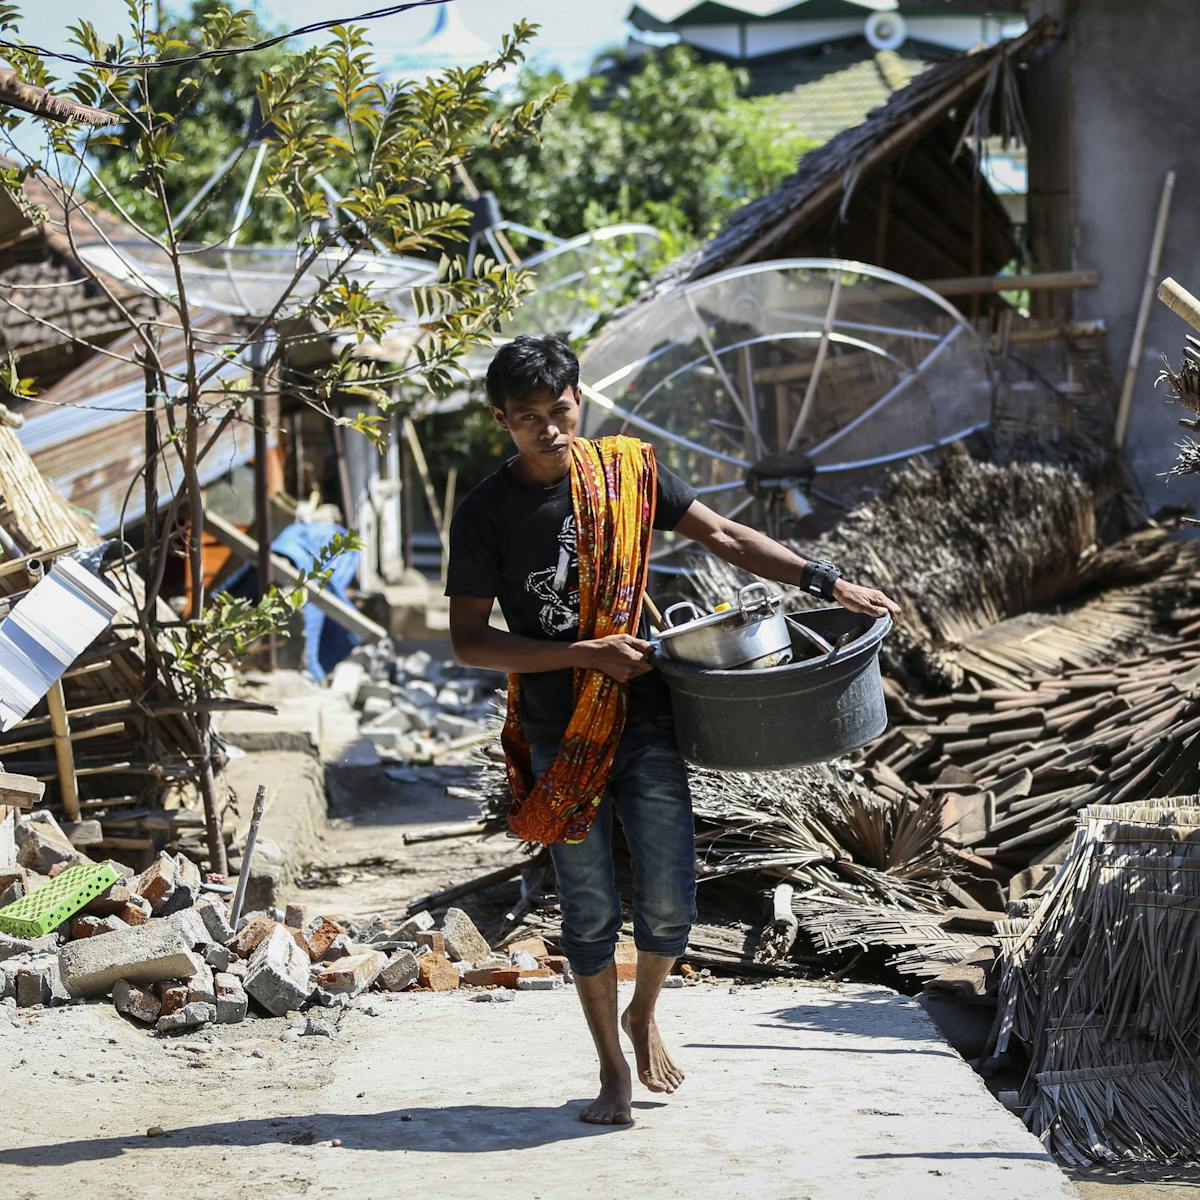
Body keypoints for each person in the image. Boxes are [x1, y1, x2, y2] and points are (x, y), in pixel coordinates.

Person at [445, 334, 901, 1127]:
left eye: (560, 411)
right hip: (558, 731)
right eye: (528, 417)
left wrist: (827, 581)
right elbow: (468, 641)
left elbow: (725, 535)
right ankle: (611, 1069)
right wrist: (584, 652)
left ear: (579, 402)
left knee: (669, 896)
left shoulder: (629, 473)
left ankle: (643, 1010)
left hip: (646, 715)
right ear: (501, 420)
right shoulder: (485, 511)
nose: (549, 429)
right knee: (588, 907)